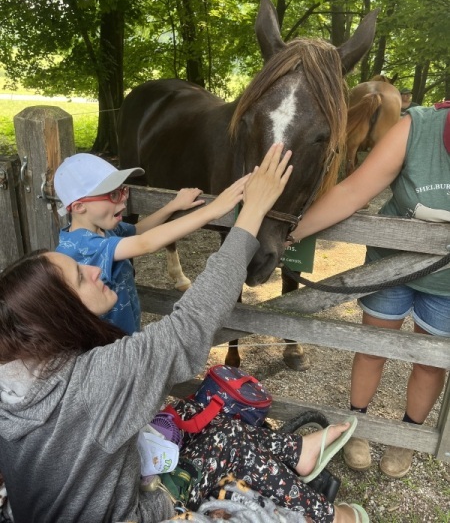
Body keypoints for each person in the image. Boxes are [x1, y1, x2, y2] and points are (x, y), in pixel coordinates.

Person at [0, 144, 369, 523]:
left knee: (194, 410)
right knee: (228, 442)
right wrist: (252, 212)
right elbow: (191, 323)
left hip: (78, 495)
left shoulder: (17, 374)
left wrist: (179, 206)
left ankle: (296, 453)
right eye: (80, 276)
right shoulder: (95, 382)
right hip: (130, 513)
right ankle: (333, 518)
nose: (93, 270)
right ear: (60, 316)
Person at [290, 104, 450, 478]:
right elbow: (352, 190)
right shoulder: (417, 128)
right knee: (372, 347)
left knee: (430, 362)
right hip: (387, 265)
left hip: (445, 285)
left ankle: (406, 436)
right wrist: (289, 234)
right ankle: (356, 422)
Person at [55, 153, 226, 334]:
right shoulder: (83, 247)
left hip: (127, 336)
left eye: (123, 190)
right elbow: (145, 243)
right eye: (113, 194)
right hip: (108, 344)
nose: (123, 199)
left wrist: (173, 206)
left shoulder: (101, 230)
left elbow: (137, 230)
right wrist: (212, 211)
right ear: (79, 207)